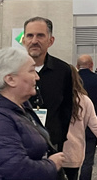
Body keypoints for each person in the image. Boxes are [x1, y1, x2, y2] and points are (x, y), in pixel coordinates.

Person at [0, 48, 65, 180]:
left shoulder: (20, 108)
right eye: (31, 71)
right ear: (10, 79)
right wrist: (52, 165)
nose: (37, 77)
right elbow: (19, 170)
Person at [24, 16, 73, 151]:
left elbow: (67, 108)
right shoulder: (13, 70)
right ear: (24, 40)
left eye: (40, 36)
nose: (34, 41)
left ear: (50, 41)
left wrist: (60, 139)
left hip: (52, 143)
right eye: (30, 36)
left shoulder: (63, 70)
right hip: (20, 143)